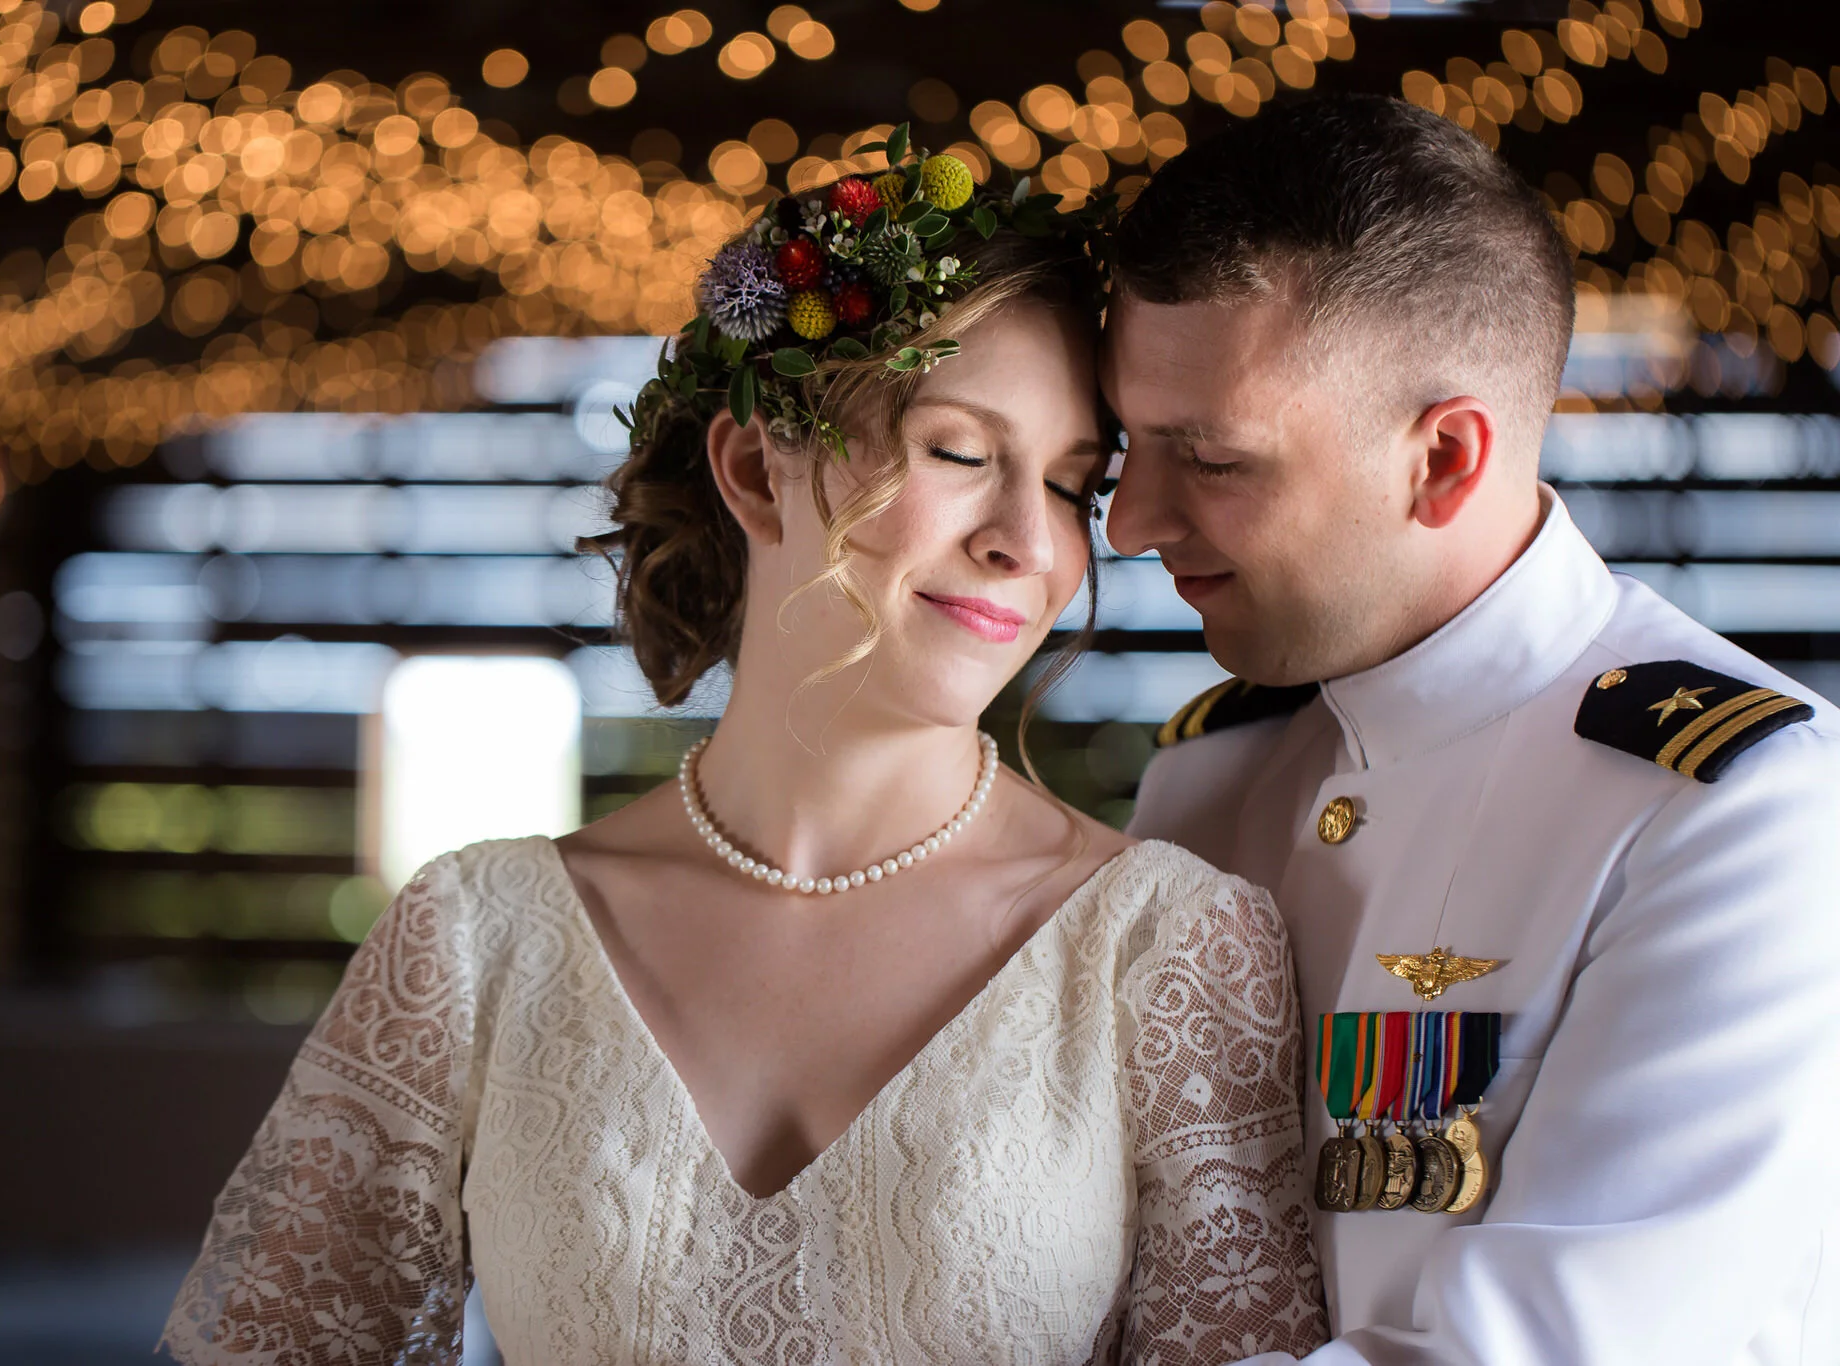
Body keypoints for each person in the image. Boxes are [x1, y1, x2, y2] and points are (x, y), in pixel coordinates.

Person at [162, 138, 1328, 1365]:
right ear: (752, 470)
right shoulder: (475, 941)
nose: (1024, 545)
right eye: (959, 452)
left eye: (1068, 488)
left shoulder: (1166, 951)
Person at [1104, 93, 1840, 1365]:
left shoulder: (1739, 807)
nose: (1127, 520)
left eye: (1210, 459)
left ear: (1442, 458)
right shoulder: (1209, 765)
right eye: (1127, 444)